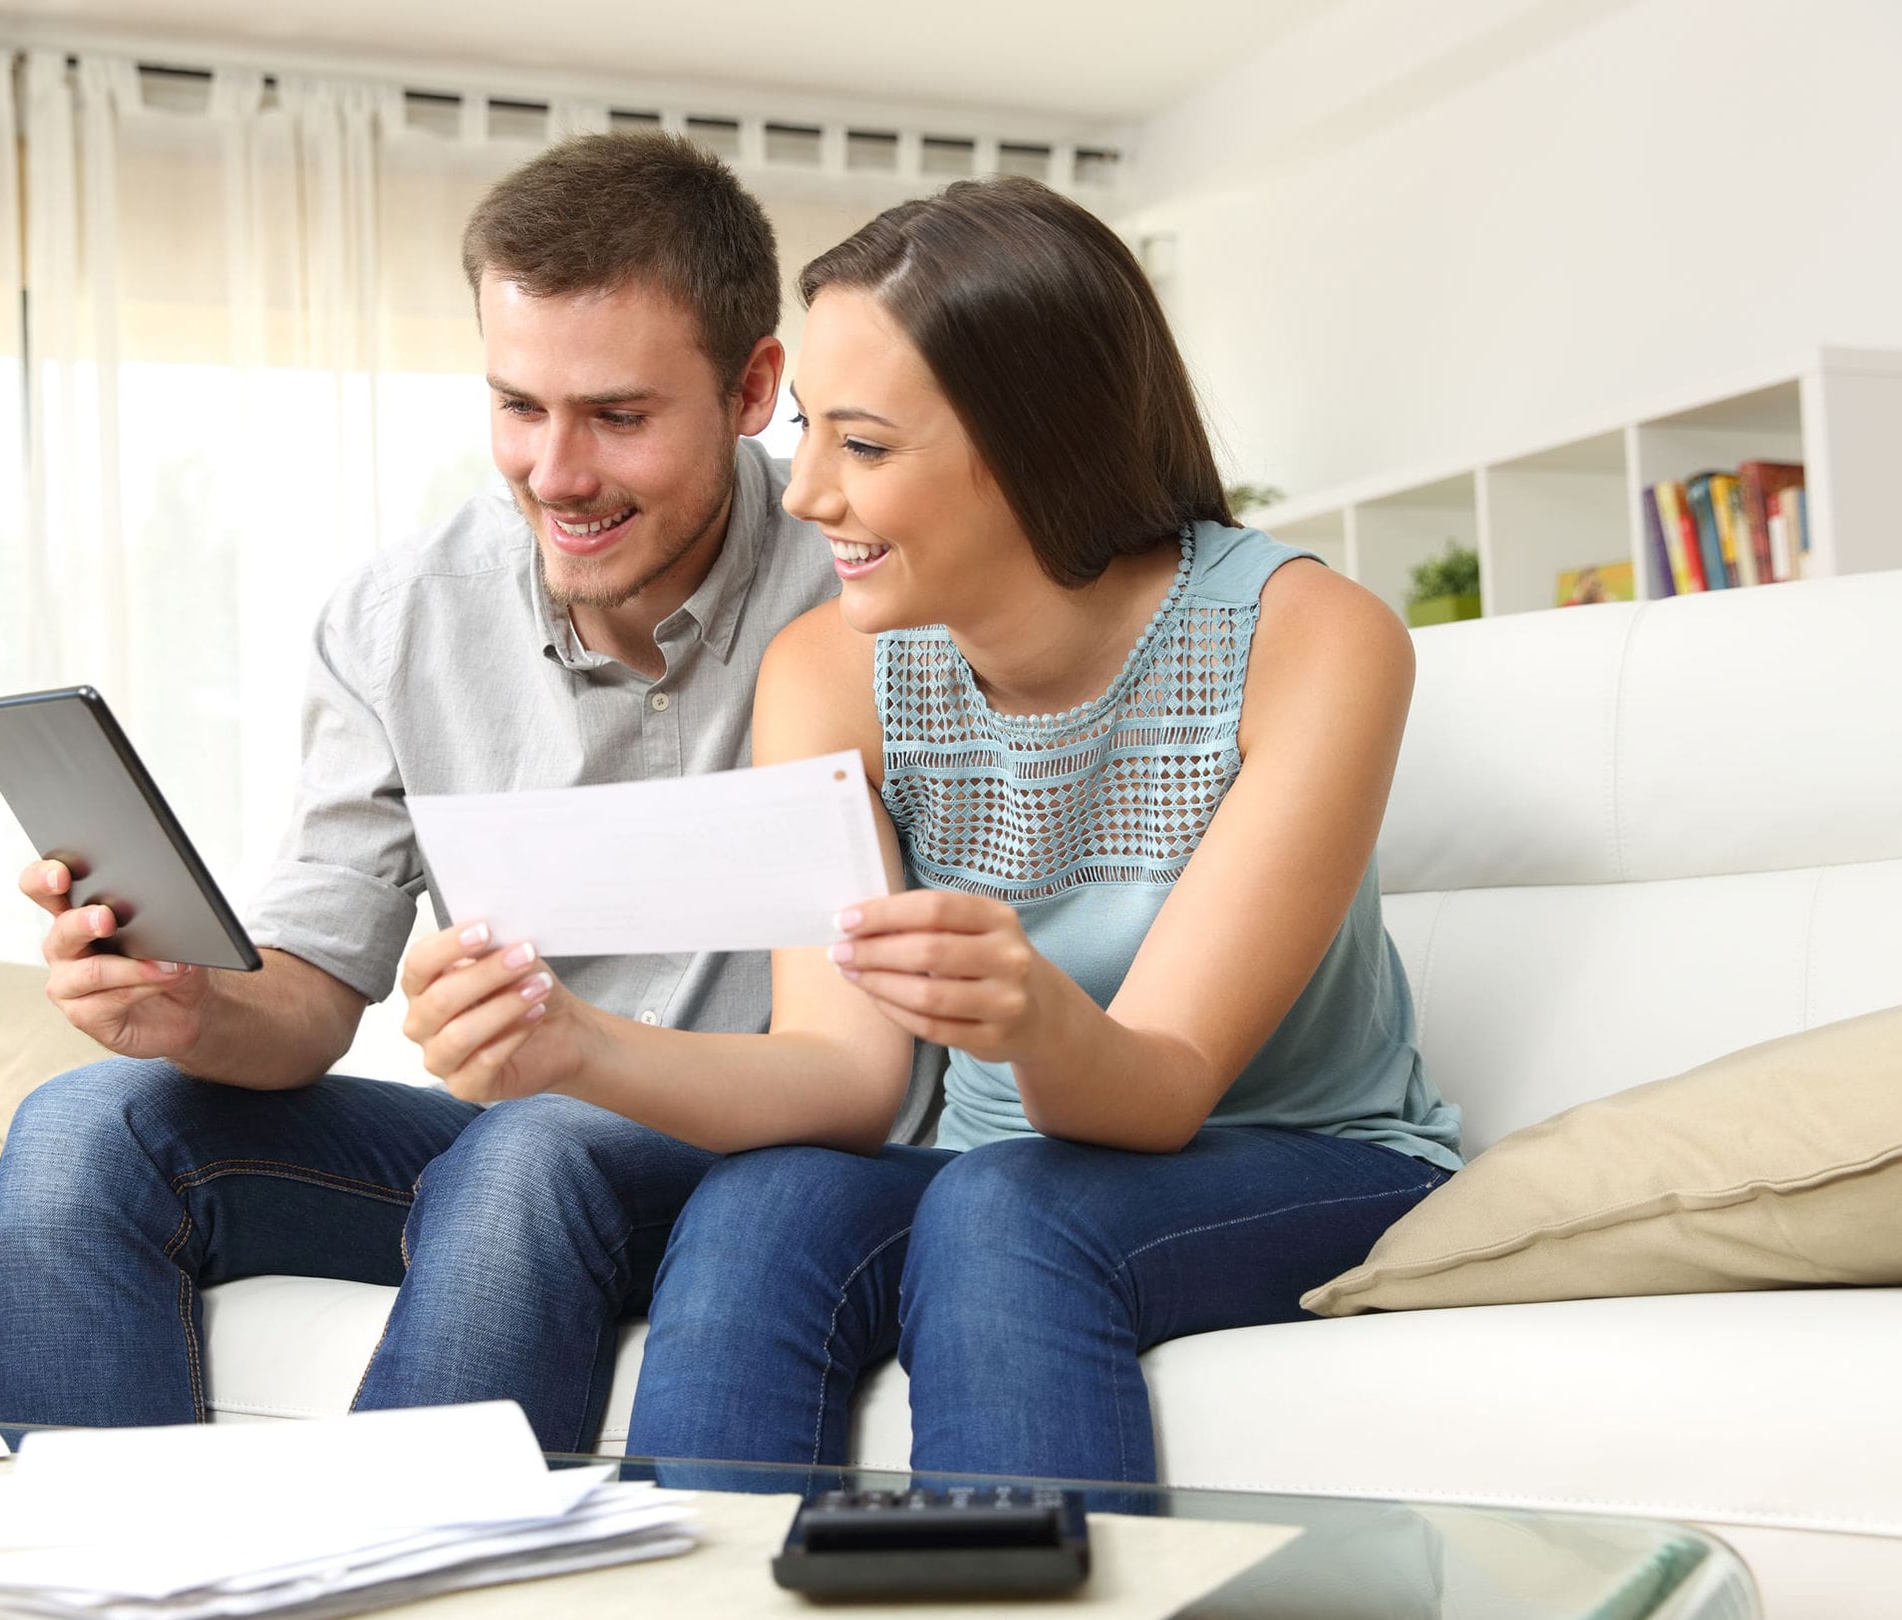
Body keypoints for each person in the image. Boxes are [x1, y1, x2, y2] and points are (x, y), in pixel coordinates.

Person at [408, 175, 1463, 1482]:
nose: (800, 496)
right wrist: (572, 1043)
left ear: (1036, 442)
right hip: (993, 1174)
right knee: (763, 1209)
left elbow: (1165, 1085)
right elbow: (844, 1077)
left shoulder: (1309, 640)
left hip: (1302, 1160)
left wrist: (1030, 1018)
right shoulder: (831, 672)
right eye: (807, 433)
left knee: (1008, 1207)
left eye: (862, 444)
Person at [0, 132, 918, 1448]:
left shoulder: (869, 582)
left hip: (774, 1153)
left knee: (532, 1141)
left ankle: (394, 1568)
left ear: (757, 386)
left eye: (619, 416)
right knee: (86, 1127)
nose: (556, 470)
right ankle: (105, 1578)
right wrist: (187, 1004)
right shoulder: (396, 618)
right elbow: (306, 999)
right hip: (515, 1160)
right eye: (518, 407)